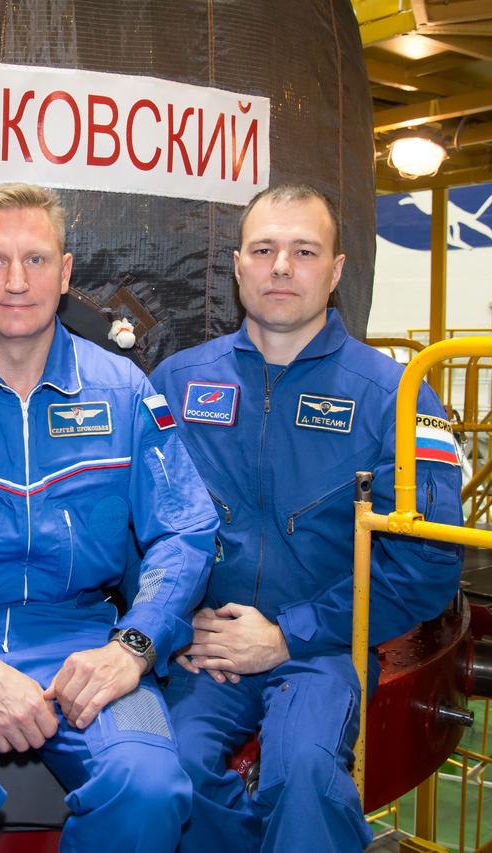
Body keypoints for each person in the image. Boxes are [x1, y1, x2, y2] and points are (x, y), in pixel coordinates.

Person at [0, 182, 219, 852]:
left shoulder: (124, 392)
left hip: (82, 637)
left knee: (148, 787)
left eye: (36, 259)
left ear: (66, 271)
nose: (17, 281)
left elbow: (186, 529)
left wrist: (134, 644)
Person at [150, 184, 464, 852]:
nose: (282, 267)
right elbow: (135, 523)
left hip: (325, 649)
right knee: (163, 768)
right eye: (264, 250)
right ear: (238, 267)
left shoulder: (396, 399)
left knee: (306, 773)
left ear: (337, 270)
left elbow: (428, 565)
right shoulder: (174, 384)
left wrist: (288, 634)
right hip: (206, 643)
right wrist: (167, 624)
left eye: (304, 250)